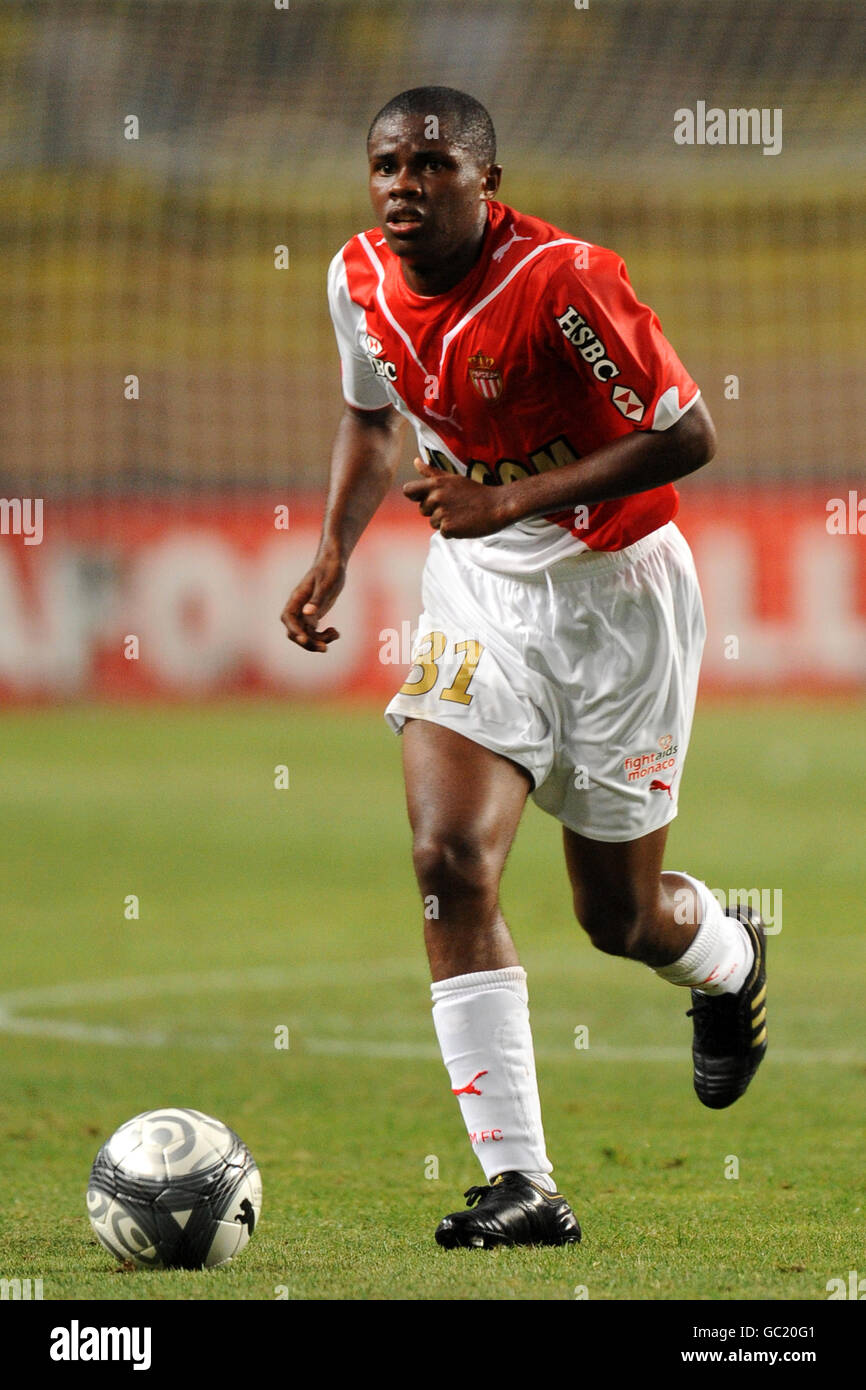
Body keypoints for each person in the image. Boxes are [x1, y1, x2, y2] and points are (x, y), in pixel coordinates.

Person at [282, 86, 767, 1250]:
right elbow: (369, 421)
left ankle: (728, 955)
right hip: (477, 597)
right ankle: (522, 1183)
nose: (404, 185)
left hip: (620, 604)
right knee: (447, 858)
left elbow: (687, 433)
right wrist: (334, 550)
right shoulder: (354, 278)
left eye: (431, 165)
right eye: (386, 164)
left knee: (617, 915)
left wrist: (503, 497)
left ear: (484, 183)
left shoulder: (562, 280)